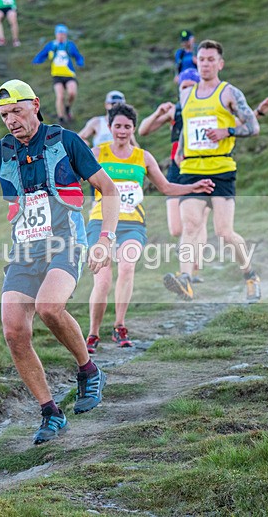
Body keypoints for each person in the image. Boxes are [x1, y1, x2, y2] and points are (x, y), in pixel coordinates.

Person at [0, 79, 120, 445]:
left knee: (49, 306)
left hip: (66, 242)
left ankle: (89, 371)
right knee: (13, 330)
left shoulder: (65, 141)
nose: (10, 120)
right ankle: (51, 412)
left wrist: (105, 239)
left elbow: (108, 189)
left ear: (35, 105)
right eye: (3, 115)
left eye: (16, 111)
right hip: (24, 252)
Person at [85, 103, 214, 353]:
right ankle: (93, 333)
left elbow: (165, 187)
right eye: (117, 126)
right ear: (109, 127)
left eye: (127, 127)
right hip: (100, 222)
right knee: (102, 281)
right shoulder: (97, 153)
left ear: (133, 128)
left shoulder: (143, 157)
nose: (122, 131)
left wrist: (193, 187)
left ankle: (119, 326)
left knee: (127, 267)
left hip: (133, 223)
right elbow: (74, 179)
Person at [140, 69, 268, 283]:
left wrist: (258, 111)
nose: (185, 91)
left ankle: (235, 272)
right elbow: (146, 131)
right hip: (185, 169)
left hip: (218, 169)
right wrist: (175, 143)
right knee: (182, 226)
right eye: (182, 87)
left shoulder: (213, 105)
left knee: (218, 230)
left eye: (189, 86)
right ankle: (186, 274)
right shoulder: (177, 110)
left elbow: (240, 123)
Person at [161, 39, 263, 303]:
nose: (205, 63)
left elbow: (253, 127)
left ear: (220, 63)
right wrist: (181, 150)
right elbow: (186, 125)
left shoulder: (230, 93)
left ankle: (250, 275)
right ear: (196, 61)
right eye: (201, 59)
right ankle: (185, 280)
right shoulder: (187, 94)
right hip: (192, 169)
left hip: (221, 168)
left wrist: (226, 131)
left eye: (210, 59)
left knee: (224, 232)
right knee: (190, 225)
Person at [32, 24, 84, 125]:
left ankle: (68, 107)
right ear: (56, 35)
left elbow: (78, 56)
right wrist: (37, 60)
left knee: (72, 93)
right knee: (60, 96)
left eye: (63, 34)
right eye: (59, 34)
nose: (61, 36)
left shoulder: (69, 45)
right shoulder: (51, 45)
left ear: (66, 35)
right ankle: (61, 117)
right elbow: (43, 54)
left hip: (69, 74)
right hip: (57, 76)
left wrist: (80, 62)